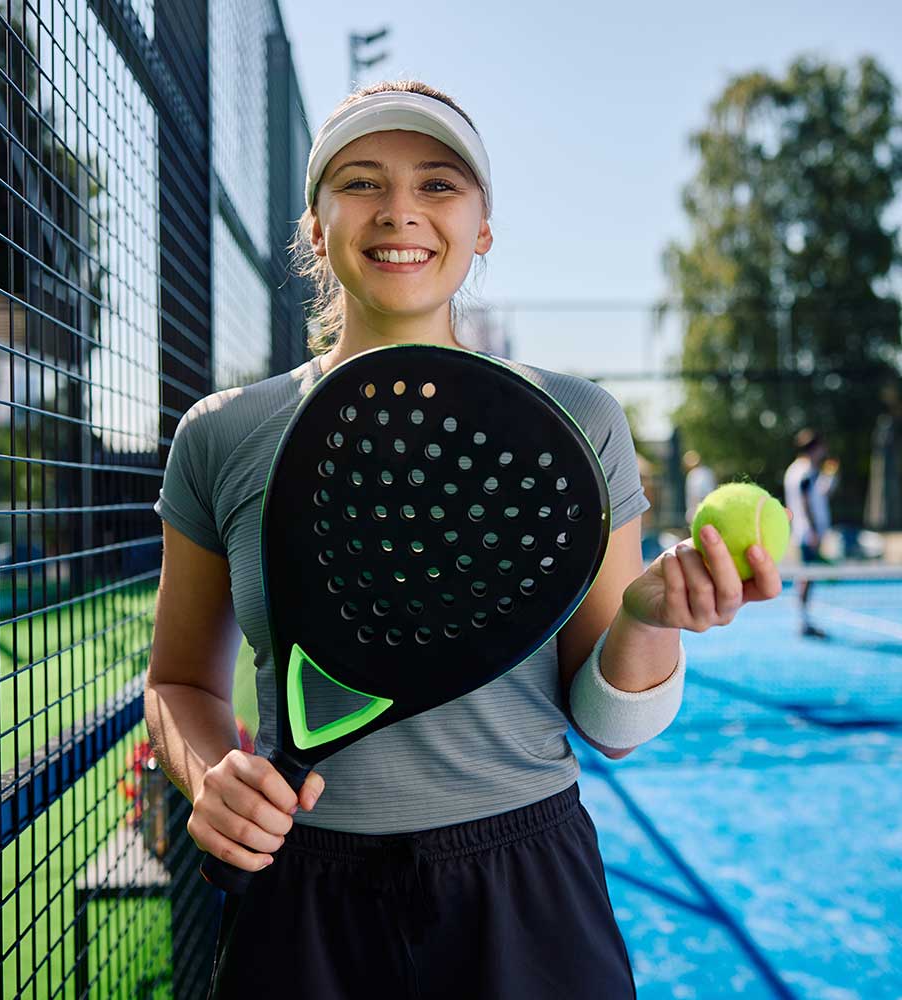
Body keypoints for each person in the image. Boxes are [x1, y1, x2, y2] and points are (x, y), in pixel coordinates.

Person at [144, 81, 788, 1000]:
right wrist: (215, 778)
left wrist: (648, 618)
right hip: (300, 893)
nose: (400, 210)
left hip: (525, 886)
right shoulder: (221, 433)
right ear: (316, 229)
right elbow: (178, 683)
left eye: (439, 186)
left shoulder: (579, 422)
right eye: (362, 182)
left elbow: (614, 728)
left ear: (483, 228)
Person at [783, 429, 839, 639]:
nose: (823, 451)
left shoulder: (799, 470)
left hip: (805, 531)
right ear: (814, 448)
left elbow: (817, 496)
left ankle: (804, 619)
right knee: (808, 575)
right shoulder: (805, 471)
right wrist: (814, 530)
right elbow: (806, 502)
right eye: (821, 447)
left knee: (808, 575)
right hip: (808, 533)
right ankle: (804, 621)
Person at [683, 449, 716, 526]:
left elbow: (697, 495)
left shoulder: (694, 474)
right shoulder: (708, 472)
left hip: (699, 514)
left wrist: (693, 514)